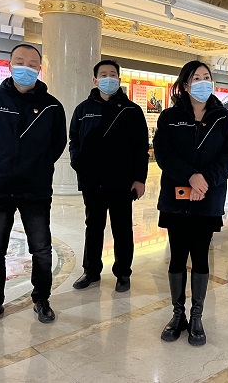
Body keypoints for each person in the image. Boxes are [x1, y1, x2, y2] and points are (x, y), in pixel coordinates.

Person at [0, 44, 66, 328]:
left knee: (41, 249)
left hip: (34, 189)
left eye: (32, 63)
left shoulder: (52, 106)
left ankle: (42, 299)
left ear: (40, 68)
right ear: (10, 65)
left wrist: (36, 167)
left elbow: (57, 145)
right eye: (20, 61)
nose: (26, 67)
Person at [154, 61, 228, 346]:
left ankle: (197, 315)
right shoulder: (169, 117)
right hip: (176, 198)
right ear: (185, 84)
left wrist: (205, 179)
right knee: (177, 256)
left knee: (201, 255)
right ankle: (178, 314)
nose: (203, 82)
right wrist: (189, 176)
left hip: (208, 196)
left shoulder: (224, 118)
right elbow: (163, 153)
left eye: (206, 77)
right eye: (196, 78)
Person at [69, 60, 149, 292]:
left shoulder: (132, 110)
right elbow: (74, 139)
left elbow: (141, 147)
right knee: (93, 226)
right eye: (103, 74)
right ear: (95, 80)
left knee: (122, 228)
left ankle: (123, 273)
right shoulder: (83, 110)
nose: (108, 78)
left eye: (113, 74)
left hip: (122, 181)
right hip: (92, 181)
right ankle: (91, 271)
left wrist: (140, 179)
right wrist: (77, 163)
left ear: (119, 79)